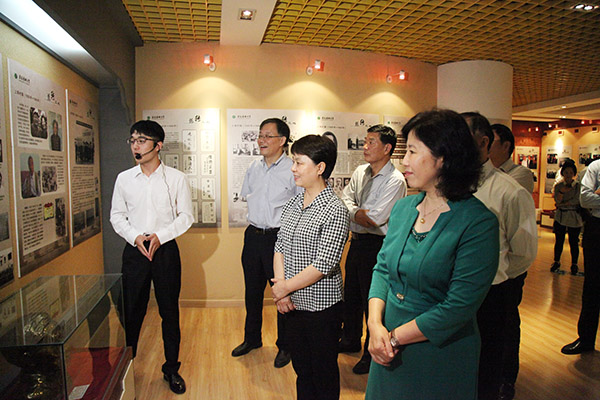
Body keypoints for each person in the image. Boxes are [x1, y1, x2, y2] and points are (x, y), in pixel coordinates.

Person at [365, 109, 499, 400]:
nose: (404, 161)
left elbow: (458, 307)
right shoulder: (404, 208)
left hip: (439, 352)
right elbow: (383, 269)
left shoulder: (478, 222)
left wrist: (393, 338)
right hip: (385, 347)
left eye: (413, 151)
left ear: (444, 157)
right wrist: (375, 325)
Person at [110, 120, 193, 394]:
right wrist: (135, 236)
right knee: (131, 311)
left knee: (169, 311)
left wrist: (162, 236)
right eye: (133, 140)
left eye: (142, 140)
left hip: (165, 250)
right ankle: (127, 369)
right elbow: (117, 216)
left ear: (158, 146)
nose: (136, 146)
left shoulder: (176, 178)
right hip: (135, 250)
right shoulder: (124, 179)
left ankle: (171, 369)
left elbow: (186, 216)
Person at [462, 112, 537, 400]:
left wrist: (494, 275)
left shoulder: (509, 192)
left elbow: (523, 253)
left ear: (483, 143)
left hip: (491, 292)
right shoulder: (447, 187)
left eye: (462, 137)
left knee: (487, 366)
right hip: (451, 293)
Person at [271, 134, 349, 400]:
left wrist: (283, 288)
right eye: (293, 162)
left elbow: (324, 263)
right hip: (292, 304)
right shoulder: (293, 203)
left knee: (323, 372)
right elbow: (280, 246)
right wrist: (282, 291)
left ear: (320, 167)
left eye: (299, 162)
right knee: (302, 370)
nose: (293, 168)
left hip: (321, 308)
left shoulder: (335, 209)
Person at [231, 118, 300, 368]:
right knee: (252, 292)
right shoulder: (253, 167)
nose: (261, 140)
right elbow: (247, 196)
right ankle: (252, 339)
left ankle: (285, 345)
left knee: (282, 293)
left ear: (282, 141)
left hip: (278, 238)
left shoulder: (293, 169)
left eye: (268, 136)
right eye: (260, 135)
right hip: (253, 236)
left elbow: (300, 205)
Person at [339, 124, 406, 375]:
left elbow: (375, 219)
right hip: (356, 241)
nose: (365, 147)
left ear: (387, 148)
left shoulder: (395, 180)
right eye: (365, 141)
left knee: (372, 300)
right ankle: (350, 339)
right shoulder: (360, 172)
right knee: (351, 295)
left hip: (377, 245)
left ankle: (371, 353)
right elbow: (344, 199)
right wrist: (359, 212)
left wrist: (355, 212)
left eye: (371, 142)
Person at [561, 159, 600, 355]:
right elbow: (585, 199)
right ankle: (586, 338)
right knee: (592, 285)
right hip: (597, 229)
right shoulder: (596, 167)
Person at [550, 159, 582, 275]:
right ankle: (556, 261)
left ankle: (574, 264)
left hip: (574, 216)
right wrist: (562, 194)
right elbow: (557, 200)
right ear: (563, 173)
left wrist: (563, 203)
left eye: (570, 172)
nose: (568, 175)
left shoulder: (578, 186)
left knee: (574, 241)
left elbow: (576, 200)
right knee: (559, 240)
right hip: (561, 216)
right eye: (566, 172)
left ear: (574, 174)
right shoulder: (559, 186)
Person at [489, 124, 535, 194]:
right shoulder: (484, 170)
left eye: (490, 141)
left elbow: (497, 195)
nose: (485, 145)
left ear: (506, 146)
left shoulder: (522, 174)